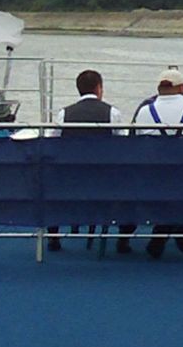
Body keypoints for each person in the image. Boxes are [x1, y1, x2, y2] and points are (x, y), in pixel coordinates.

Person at [131, 67, 183, 258]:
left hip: (153, 178)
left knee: (168, 187)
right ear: (181, 89)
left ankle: (164, 231)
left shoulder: (145, 112)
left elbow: (136, 143)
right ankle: (179, 228)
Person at [48, 69, 129, 252]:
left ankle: (53, 237)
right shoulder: (112, 113)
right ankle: (123, 240)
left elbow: (52, 141)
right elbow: (122, 144)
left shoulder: (64, 114)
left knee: (51, 187)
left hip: (70, 177)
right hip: (105, 177)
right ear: (99, 88)